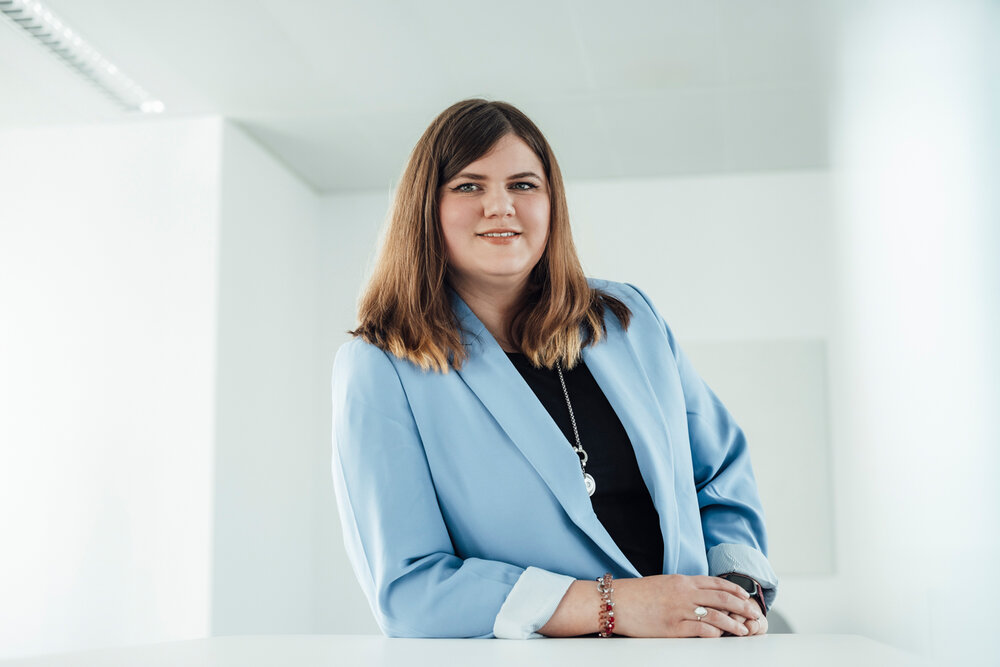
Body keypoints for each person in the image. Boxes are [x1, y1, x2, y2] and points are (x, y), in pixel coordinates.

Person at [330, 99, 777, 639]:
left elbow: (721, 471)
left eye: (523, 185)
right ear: (426, 208)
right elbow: (412, 590)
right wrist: (613, 606)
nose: (500, 206)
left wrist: (737, 586)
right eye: (469, 186)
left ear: (551, 204)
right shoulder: (383, 365)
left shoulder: (629, 321)